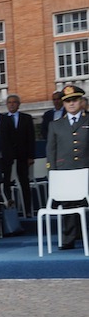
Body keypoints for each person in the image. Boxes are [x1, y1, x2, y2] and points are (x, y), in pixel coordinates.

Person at [45, 85, 89, 249]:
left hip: (86, 169)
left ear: (81, 101)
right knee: (69, 206)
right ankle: (68, 238)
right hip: (65, 171)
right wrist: (53, 173)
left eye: (75, 100)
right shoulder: (55, 125)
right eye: (68, 101)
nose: (72, 104)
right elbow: (51, 150)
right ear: (63, 103)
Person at [0, 94, 36, 215]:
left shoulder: (26, 118)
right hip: (7, 157)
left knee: (24, 183)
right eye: (9, 102)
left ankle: (28, 210)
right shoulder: (2, 119)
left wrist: (31, 156)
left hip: (23, 156)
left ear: (18, 104)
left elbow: (31, 138)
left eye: (14, 102)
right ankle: (11, 210)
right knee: (7, 184)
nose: (11, 104)